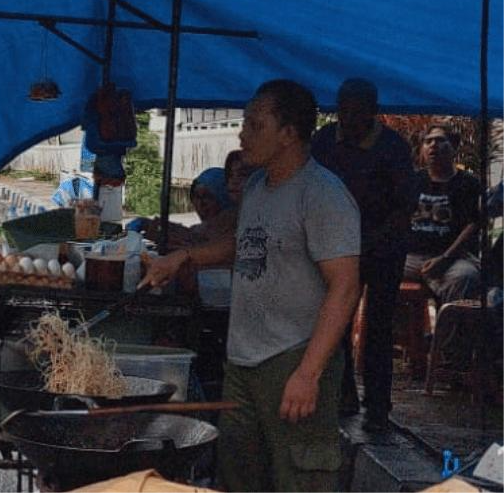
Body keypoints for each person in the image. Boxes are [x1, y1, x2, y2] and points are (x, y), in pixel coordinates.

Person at [141, 80, 361, 493]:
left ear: (288, 134)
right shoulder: (259, 187)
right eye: (245, 122)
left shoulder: (322, 195)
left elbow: (346, 288)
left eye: (255, 124)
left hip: (293, 358)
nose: (243, 133)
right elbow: (244, 243)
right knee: (239, 476)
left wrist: (308, 374)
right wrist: (185, 257)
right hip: (243, 361)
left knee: (299, 479)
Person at [310, 78, 415, 430]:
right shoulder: (323, 141)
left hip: (383, 248)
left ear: (373, 111)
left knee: (378, 327)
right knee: (334, 323)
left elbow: (404, 208)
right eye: (344, 109)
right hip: (336, 248)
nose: (349, 117)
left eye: (357, 110)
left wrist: (371, 242)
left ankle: (378, 406)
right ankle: (342, 395)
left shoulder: (393, 147)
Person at [403, 125, 481, 303]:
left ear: (453, 147)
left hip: (453, 257)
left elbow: (474, 224)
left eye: (440, 140)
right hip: (411, 257)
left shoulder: (469, 184)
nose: (433, 145)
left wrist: (445, 258)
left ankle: (446, 329)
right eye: (428, 141)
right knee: (375, 268)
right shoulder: (412, 181)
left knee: (465, 277)